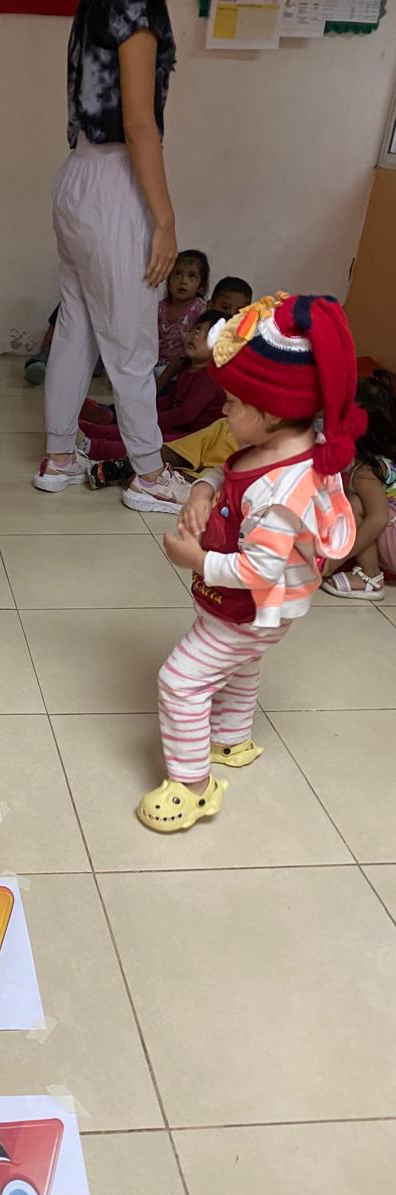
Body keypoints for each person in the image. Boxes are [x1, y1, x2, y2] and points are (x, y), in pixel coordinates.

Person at [136, 294, 362, 833]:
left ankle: (193, 786)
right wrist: (201, 488)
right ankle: (231, 739)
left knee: (181, 681)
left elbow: (258, 572)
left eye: (233, 402)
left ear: (273, 411)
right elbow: (232, 466)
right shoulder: (279, 444)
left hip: (252, 603)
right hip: (257, 612)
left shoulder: (282, 496)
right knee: (241, 664)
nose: (223, 410)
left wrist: (194, 558)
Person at [33, 0, 190, 516]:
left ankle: (60, 457)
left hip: (77, 173)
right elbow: (139, 123)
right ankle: (150, 474)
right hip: (116, 184)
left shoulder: (95, 3)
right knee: (131, 343)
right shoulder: (135, 4)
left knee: (76, 327)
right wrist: (164, 220)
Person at [80, 309, 227, 490]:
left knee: (151, 445)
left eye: (208, 335)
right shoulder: (188, 366)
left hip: (193, 435)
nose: (197, 336)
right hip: (178, 425)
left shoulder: (210, 377)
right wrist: (146, 413)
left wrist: (151, 420)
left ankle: (91, 446)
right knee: (135, 430)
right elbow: (171, 399)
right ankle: (88, 430)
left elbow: (185, 415)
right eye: (197, 329)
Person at [321, 368, 396, 599]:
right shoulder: (385, 460)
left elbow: (378, 518)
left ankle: (369, 576)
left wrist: (334, 562)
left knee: (354, 504)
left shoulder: (365, 472)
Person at [157, 249, 210, 370]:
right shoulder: (160, 308)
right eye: (177, 274)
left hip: (184, 368)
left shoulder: (199, 309)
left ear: (201, 286)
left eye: (192, 276)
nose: (183, 281)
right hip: (155, 365)